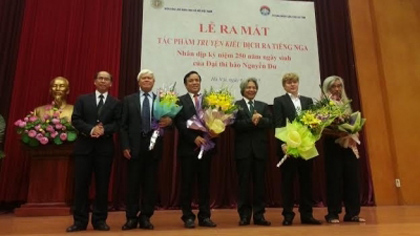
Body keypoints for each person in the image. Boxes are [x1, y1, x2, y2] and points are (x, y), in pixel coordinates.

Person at [66, 71, 121, 232]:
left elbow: (118, 123)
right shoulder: (83, 99)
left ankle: (99, 220)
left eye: (107, 79)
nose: (103, 81)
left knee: (102, 186)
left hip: (104, 149)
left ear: (111, 83)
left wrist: (104, 130)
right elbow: (76, 119)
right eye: (100, 78)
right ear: (95, 81)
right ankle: (79, 221)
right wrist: (91, 129)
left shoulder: (116, 103)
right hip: (84, 148)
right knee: (81, 185)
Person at [120, 69, 172, 230]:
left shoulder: (161, 101)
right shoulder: (129, 100)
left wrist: (169, 122)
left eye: (150, 78)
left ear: (154, 82)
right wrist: (125, 145)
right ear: (139, 82)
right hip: (134, 148)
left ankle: (145, 217)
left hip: (153, 148)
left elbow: (169, 125)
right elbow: (122, 126)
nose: (147, 80)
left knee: (150, 185)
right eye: (144, 78)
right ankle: (131, 217)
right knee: (133, 184)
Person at [273, 72, 321, 226]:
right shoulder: (279, 101)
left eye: (294, 82)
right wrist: (283, 144)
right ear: (284, 85)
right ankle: (288, 215)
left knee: (306, 181)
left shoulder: (307, 100)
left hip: (306, 147)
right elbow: (279, 123)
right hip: (290, 147)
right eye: (288, 82)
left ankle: (307, 214)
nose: (292, 84)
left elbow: (313, 123)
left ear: (298, 83)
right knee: (288, 182)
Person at [175, 71, 217, 228]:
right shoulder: (179, 101)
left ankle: (205, 216)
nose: (194, 82)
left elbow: (216, 120)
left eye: (197, 80)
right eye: (191, 80)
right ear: (185, 84)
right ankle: (188, 216)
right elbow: (179, 123)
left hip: (206, 148)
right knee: (187, 184)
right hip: (188, 149)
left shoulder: (209, 100)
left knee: (204, 184)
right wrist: (194, 138)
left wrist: (214, 132)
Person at [322, 75, 365, 223]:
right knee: (334, 179)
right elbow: (320, 127)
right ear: (327, 88)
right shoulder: (323, 105)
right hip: (333, 145)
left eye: (339, 86)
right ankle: (333, 213)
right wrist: (335, 129)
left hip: (348, 145)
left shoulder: (346, 103)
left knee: (351, 178)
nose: (337, 89)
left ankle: (352, 213)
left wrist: (353, 128)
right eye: (333, 86)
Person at [233, 78, 272, 226]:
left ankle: (259, 215)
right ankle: (244, 215)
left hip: (260, 150)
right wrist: (252, 121)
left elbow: (270, 122)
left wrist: (260, 119)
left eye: (254, 87)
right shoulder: (236, 105)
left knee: (259, 184)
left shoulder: (263, 105)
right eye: (248, 87)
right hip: (243, 151)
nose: (251, 90)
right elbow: (235, 125)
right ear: (243, 89)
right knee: (243, 184)